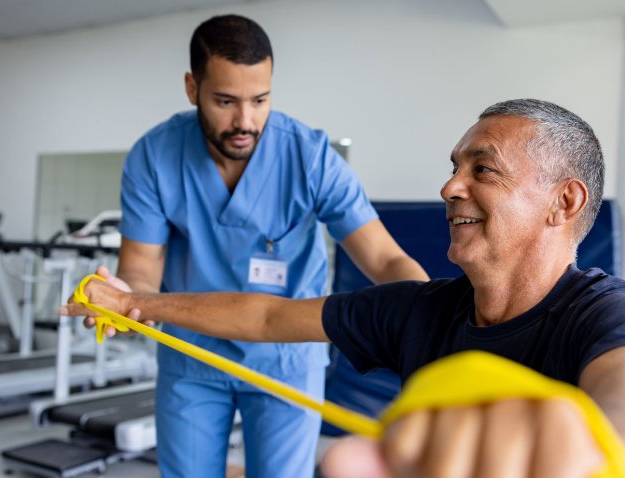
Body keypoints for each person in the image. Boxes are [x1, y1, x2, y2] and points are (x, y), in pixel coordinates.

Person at [73, 99, 625, 477]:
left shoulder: (614, 312)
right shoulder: (420, 311)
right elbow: (267, 319)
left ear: (563, 202)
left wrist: (607, 453)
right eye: (452, 168)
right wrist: (133, 302)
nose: (450, 187)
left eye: (481, 169)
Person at [110, 14, 429, 478]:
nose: (246, 121)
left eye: (260, 100)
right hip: (192, 357)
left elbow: (383, 258)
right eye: (225, 101)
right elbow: (140, 270)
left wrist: (427, 316)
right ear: (191, 87)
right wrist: (127, 300)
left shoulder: (310, 157)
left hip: (286, 357)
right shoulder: (155, 156)